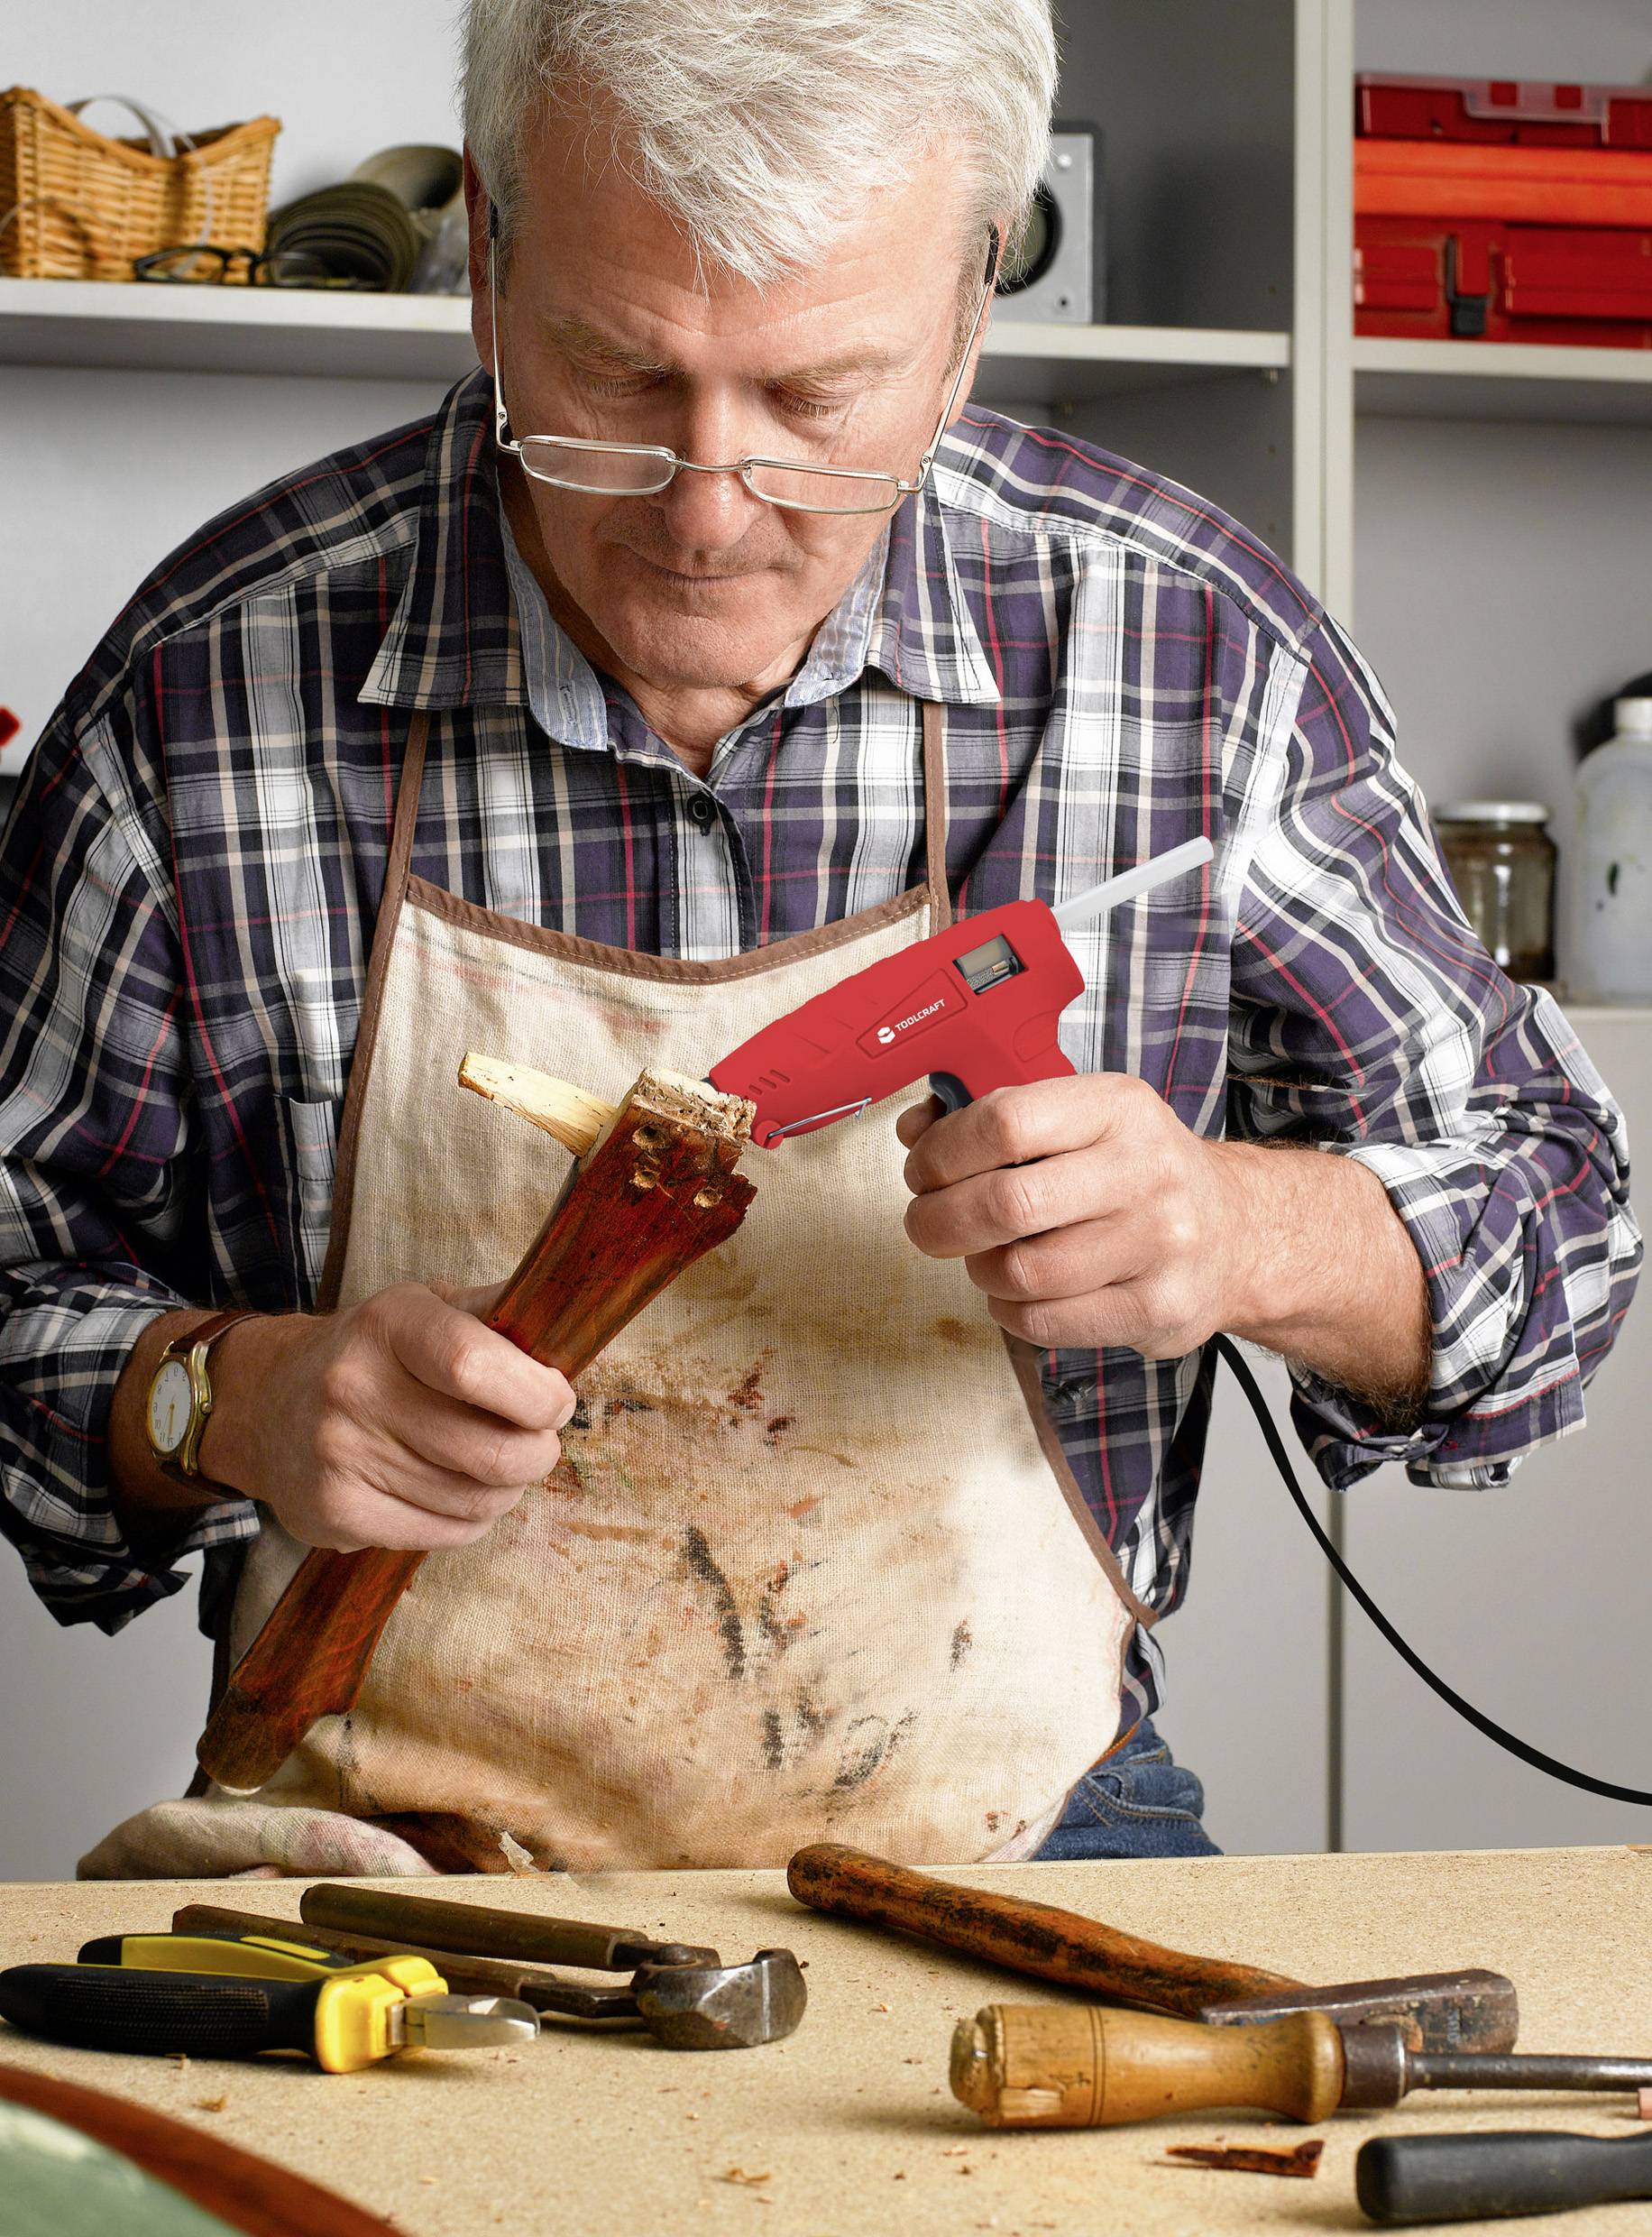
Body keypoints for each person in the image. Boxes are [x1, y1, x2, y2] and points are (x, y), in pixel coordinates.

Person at [0, 0, 1638, 1880]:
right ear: (486, 272)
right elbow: (13, 1286)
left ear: (961, 328)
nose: (708, 511)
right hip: (374, 1857)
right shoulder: (213, 680)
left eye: (815, 400)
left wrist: (1237, 1230)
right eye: (618, 376)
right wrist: (234, 1392)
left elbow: (1560, 1224)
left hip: (1015, 1835)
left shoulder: (1185, 654)